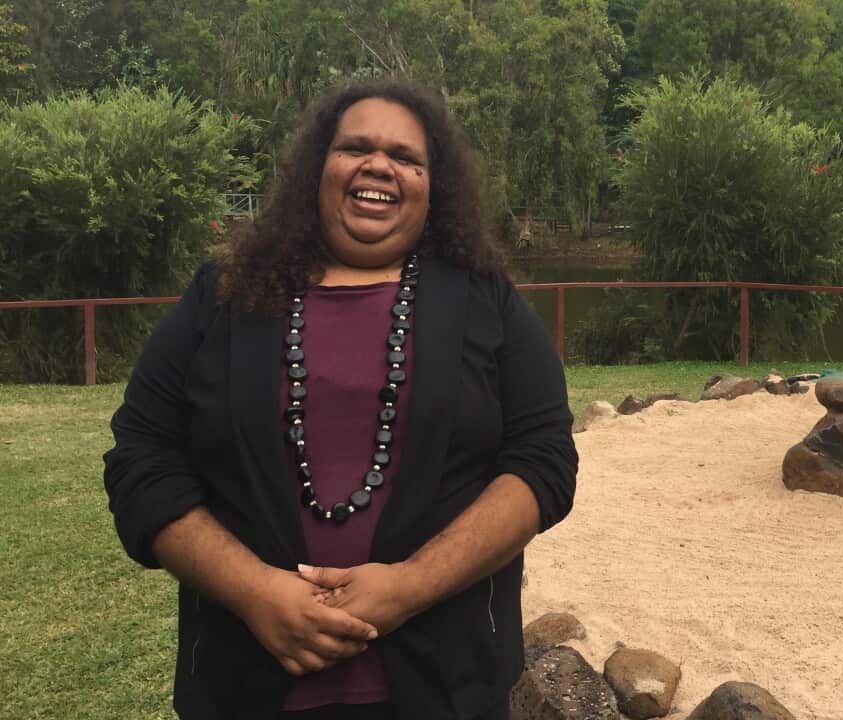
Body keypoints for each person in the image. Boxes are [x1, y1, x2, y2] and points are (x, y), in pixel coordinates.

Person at [103, 79, 578, 720]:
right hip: (243, 684)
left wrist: (409, 587)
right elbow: (141, 458)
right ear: (315, 170)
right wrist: (252, 592)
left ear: (434, 187)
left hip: (445, 688)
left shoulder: (485, 301)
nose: (379, 165)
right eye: (355, 147)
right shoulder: (223, 298)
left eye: (408, 158)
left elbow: (542, 460)